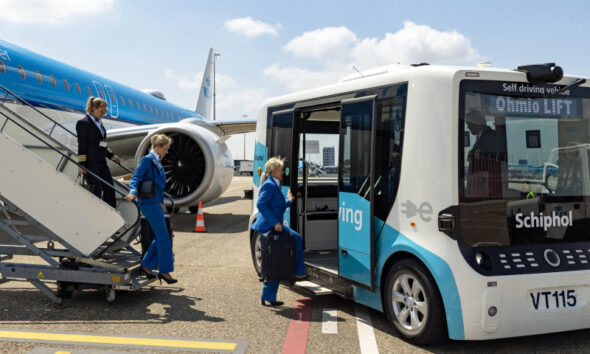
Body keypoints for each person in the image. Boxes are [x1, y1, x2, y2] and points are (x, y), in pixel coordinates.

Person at [252, 157, 308, 307]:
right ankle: (298, 272)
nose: (283, 172)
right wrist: (275, 222)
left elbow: (277, 205)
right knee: (295, 240)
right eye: (281, 169)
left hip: (274, 226)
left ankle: (268, 296)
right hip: (270, 226)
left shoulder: (275, 184)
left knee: (276, 261)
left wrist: (289, 200)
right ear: (274, 171)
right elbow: (261, 204)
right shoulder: (269, 185)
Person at [124, 134, 177, 285]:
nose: (167, 152)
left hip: (155, 201)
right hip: (148, 203)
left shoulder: (157, 160)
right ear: (158, 147)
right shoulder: (148, 160)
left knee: (162, 235)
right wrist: (133, 191)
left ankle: (147, 266)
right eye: (165, 149)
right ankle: (165, 271)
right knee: (164, 237)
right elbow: (136, 177)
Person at [76, 97, 120, 208]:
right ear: (94, 108)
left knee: (110, 188)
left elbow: (102, 143)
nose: (103, 114)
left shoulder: (100, 124)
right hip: (91, 163)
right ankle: (97, 213)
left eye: (105, 112)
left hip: (101, 161)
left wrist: (112, 155)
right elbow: (82, 144)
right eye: (102, 111)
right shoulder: (83, 123)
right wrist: (81, 164)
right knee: (97, 189)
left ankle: (110, 213)